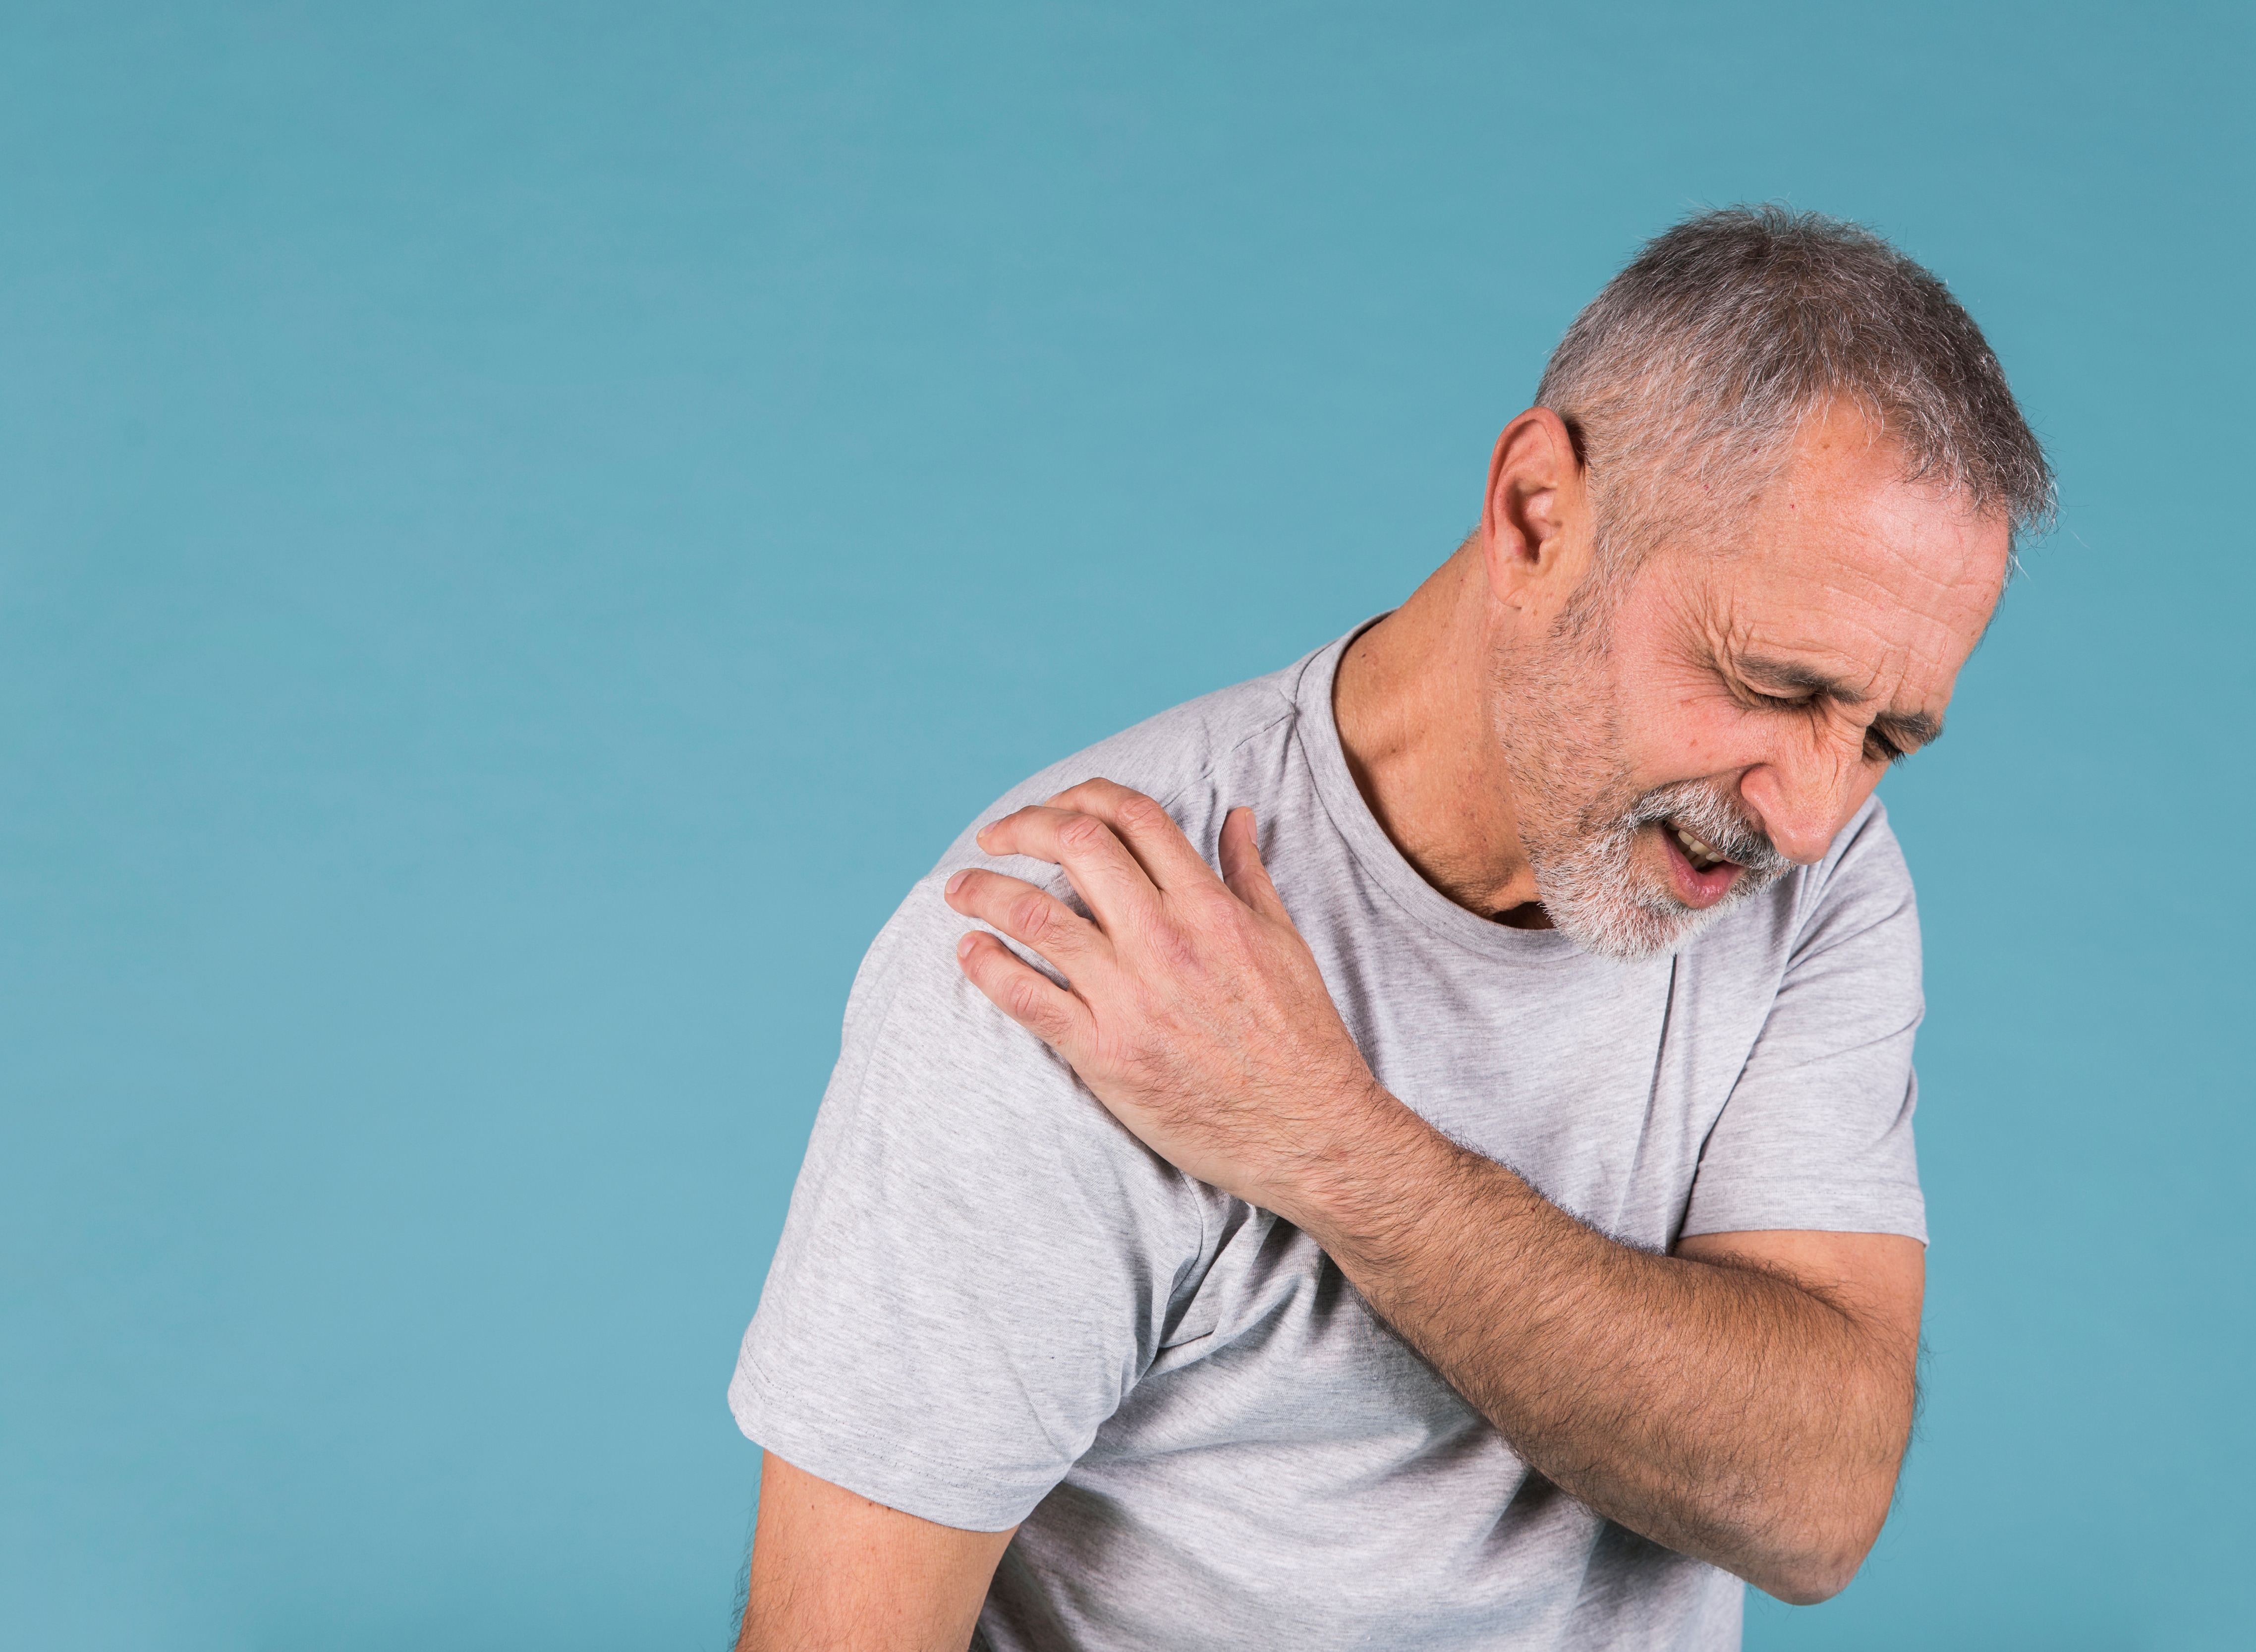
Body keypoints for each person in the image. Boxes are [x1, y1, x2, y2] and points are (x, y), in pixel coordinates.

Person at [728, 206, 2053, 1652]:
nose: (1810, 810)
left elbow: (1815, 1500)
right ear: (1539, 517)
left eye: (1888, 739)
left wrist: (1331, 1144)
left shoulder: (1814, 872)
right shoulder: (1071, 955)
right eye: (1778, 684)